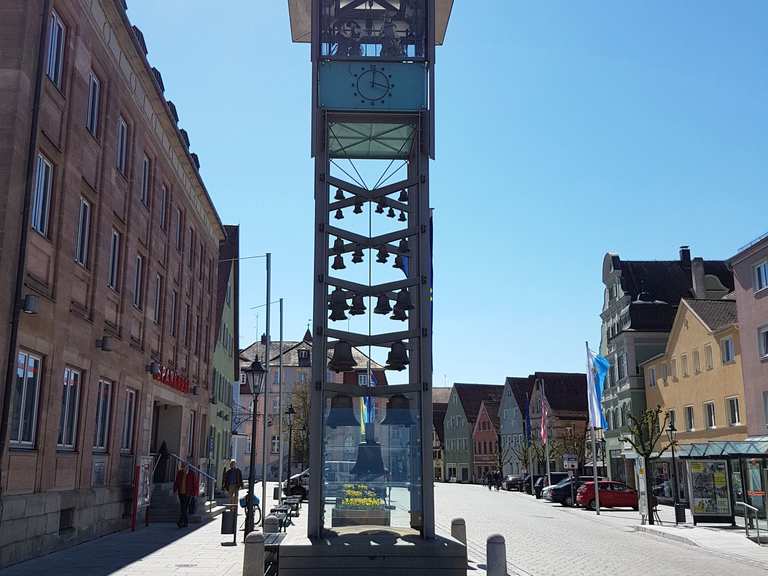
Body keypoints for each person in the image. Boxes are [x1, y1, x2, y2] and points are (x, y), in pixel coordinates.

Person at [173, 463, 196, 528]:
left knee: (184, 507)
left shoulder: (192, 474)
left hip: (188, 493)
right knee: (183, 508)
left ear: (187, 467)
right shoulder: (180, 473)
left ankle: (180, 522)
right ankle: (185, 523)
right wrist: (175, 490)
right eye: (183, 468)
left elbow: (194, 484)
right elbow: (177, 482)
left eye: (185, 468)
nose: (184, 469)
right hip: (181, 492)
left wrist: (194, 493)